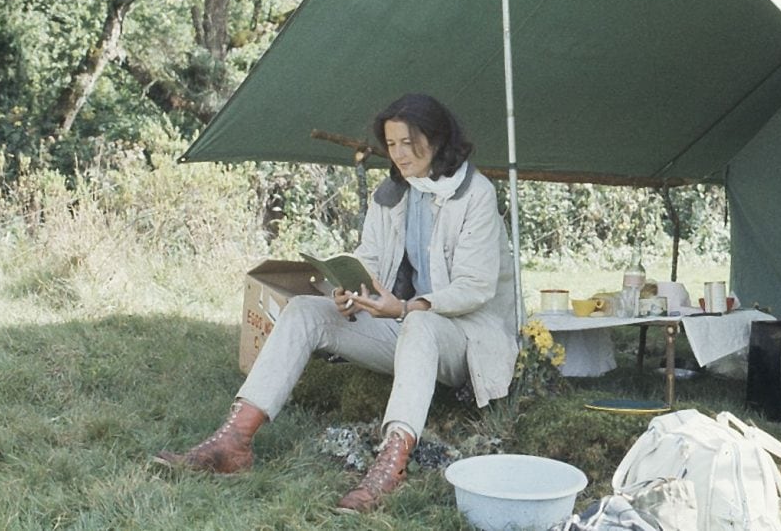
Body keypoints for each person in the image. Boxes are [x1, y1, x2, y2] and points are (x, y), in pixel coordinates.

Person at [153, 93, 518, 513]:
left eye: (407, 143)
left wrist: (403, 308)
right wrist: (347, 291)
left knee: (419, 324)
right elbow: (370, 258)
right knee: (306, 310)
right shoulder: (393, 192)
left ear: (436, 140)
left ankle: (390, 468)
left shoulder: (476, 194)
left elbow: (476, 287)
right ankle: (234, 442)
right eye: (392, 144)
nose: (398, 155)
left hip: (463, 339)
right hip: (401, 325)